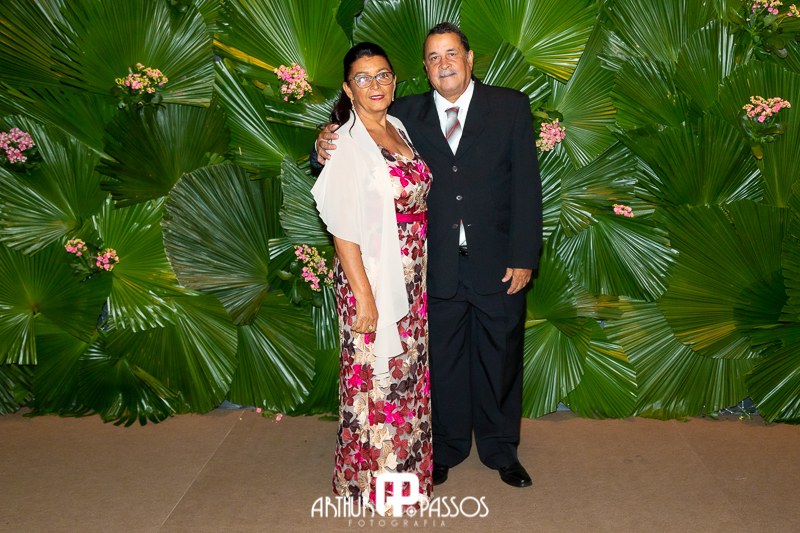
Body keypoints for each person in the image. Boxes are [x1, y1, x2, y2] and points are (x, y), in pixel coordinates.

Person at [313, 23, 542, 488]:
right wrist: (320, 147)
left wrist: (524, 256)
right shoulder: (403, 113)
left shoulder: (510, 106)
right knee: (444, 364)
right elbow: (353, 138)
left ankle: (501, 450)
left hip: (498, 262)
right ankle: (447, 448)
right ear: (424, 68)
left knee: (500, 360)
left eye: (451, 54)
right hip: (430, 268)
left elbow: (526, 186)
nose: (444, 64)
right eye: (434, 58)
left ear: (469, 58)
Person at [310, 42, 433, 508]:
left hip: (413, 277)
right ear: (348, 89)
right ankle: (367, 484)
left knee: (405, 374)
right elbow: (343, 226)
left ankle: (404, 478)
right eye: (362, 78)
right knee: (373, 377)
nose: (375, 85)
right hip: (371, 276)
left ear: (395, 81)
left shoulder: (399, 127)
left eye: (382, 75)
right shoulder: (346, 141)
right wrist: (364, 295)